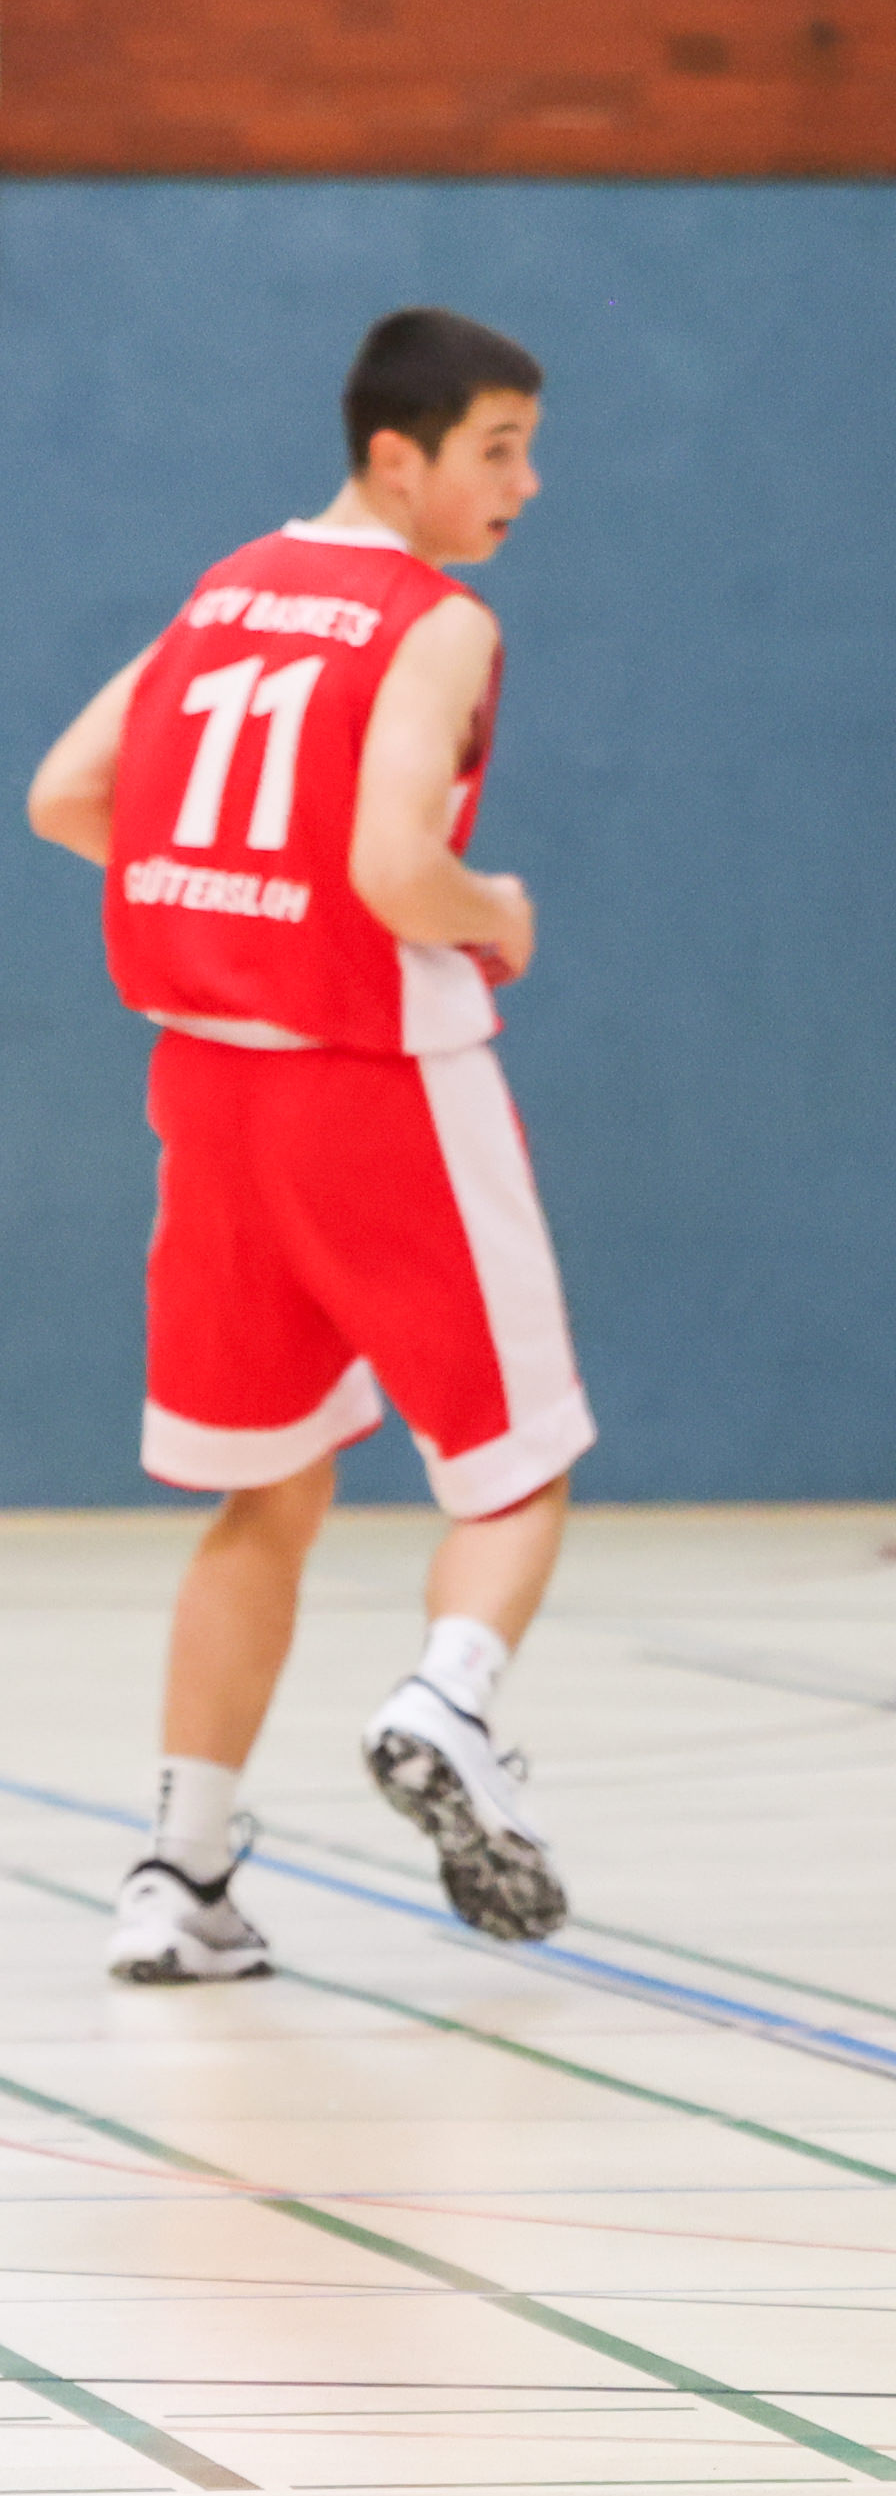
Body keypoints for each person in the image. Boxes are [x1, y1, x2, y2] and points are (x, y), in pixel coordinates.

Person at [23, 309, 590, 1987]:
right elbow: (395, 866)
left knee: (266, 1487)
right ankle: (450, 1701)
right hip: (375, 1080)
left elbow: (63, 794)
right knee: (516, 1460)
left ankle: (178, 1871)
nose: (524, 485)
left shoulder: (224, 593)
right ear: (397, 457)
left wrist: (228, 894)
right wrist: (495, 913)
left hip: (210, 1090)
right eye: (497, 450)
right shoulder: (435, 619)